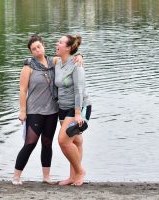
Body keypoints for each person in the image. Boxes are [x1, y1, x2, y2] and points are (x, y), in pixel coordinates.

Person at [12, 34, 83, 185]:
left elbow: (68, 57)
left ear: (43, 46)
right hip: (34, 111)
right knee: (30, 143)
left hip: (52, 111)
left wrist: (79, 55)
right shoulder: (28, 66)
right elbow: (22, 90)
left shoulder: (54, 61)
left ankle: (46, 177)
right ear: (31, 52)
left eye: (38, 47)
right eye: (33, 49)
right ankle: (16, 176)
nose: (37, 50)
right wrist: (22, 111)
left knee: (47, 143)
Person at [54, 34, 92, 186]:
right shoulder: (57, 62)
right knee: (75, 140)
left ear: (68, 48)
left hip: (78, 107)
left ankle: (80, 171)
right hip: (62, 108)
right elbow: (40, 58)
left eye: (60, 42)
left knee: (63, 141)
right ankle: (72, 177)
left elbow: (79, 90)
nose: (57, 44)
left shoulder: (76, 64)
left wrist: (77, 113)